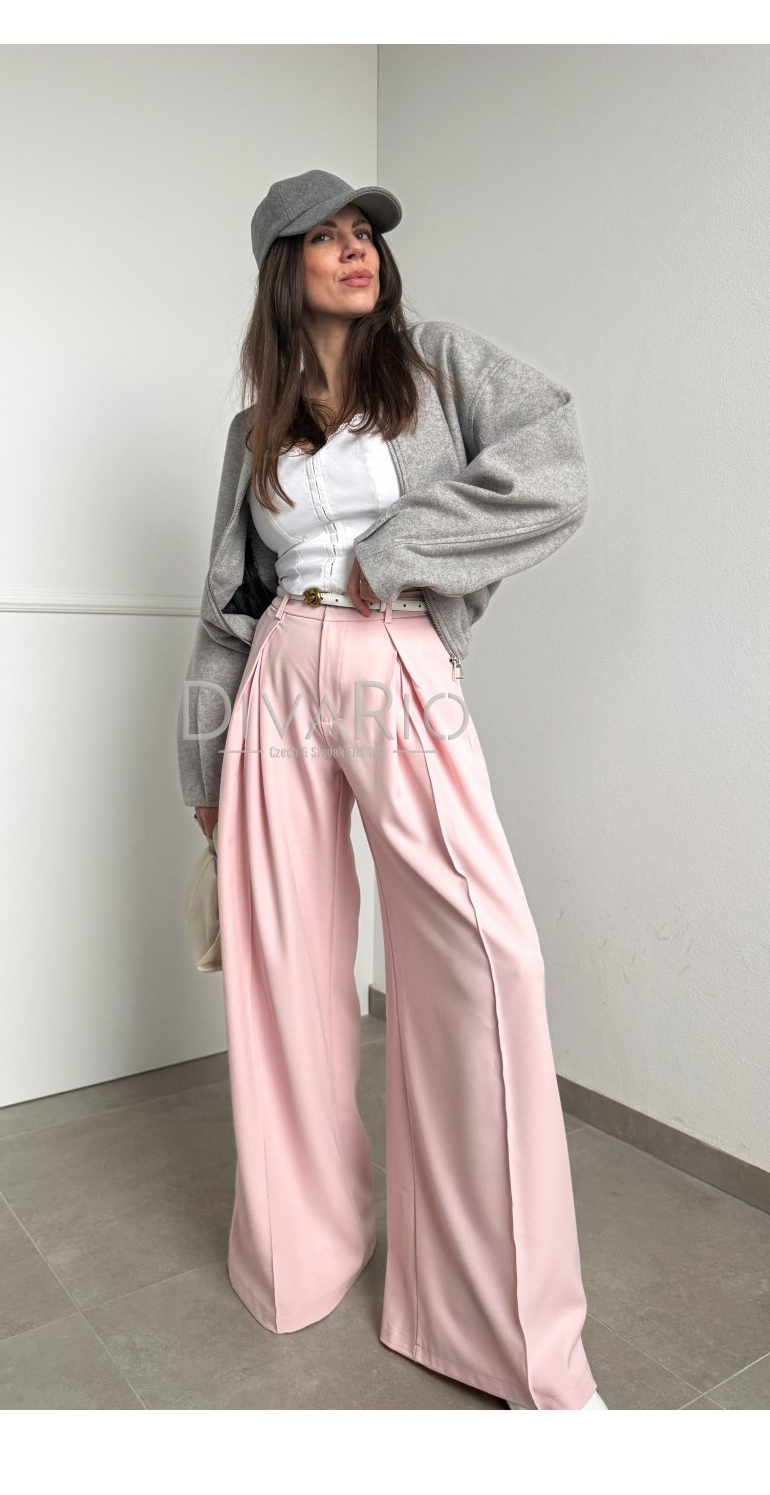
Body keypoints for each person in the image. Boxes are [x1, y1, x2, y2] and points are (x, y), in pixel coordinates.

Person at [177, 169, 608, 1410]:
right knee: (285, 973)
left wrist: (393, 556)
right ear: (283, 267)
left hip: (395, 661)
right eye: (325, 236)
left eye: (363, 232)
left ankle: (500, 1326)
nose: (354, 249)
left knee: (484, 955)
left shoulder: (438, 367)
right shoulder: (252, 432)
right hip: (275, 679)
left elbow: (554, 466)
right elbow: (224, 608)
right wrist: (202, 767)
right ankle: (298, 1257)